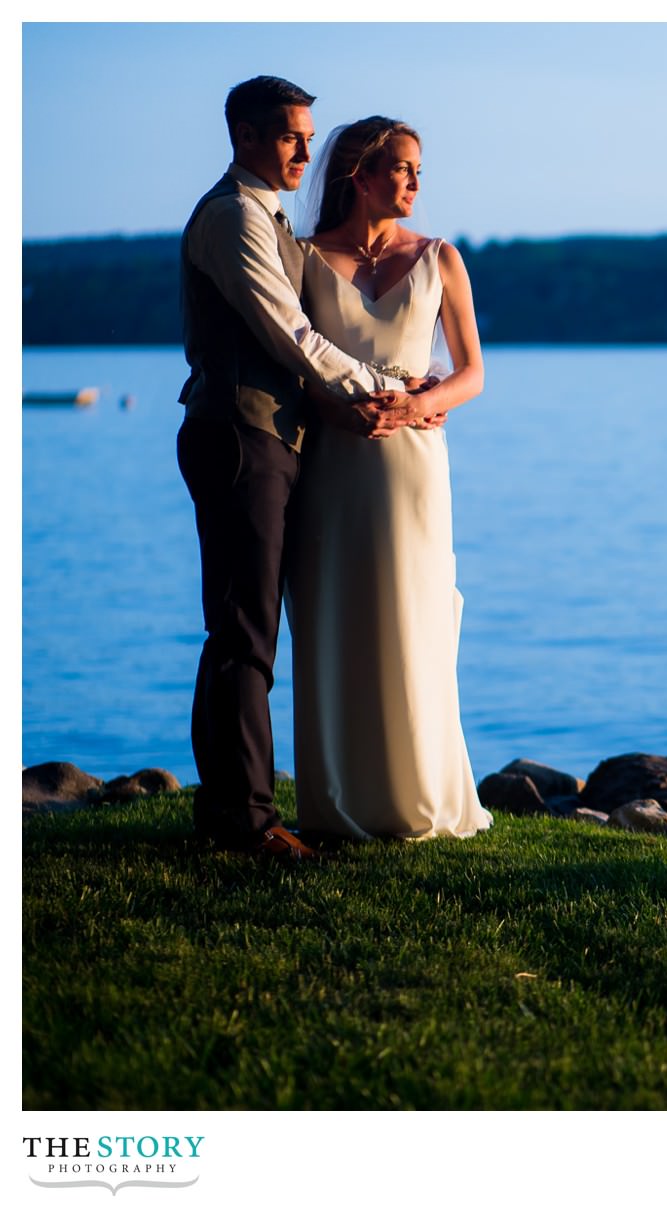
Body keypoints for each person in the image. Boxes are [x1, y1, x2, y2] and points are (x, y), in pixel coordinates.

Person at [177, 76, 429, 859]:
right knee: (245, 632)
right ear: (245, 135)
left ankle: (228, 809)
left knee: (241, 629)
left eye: (309, 137)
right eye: (290, 135)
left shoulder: (270, 216)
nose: (305, 151)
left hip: (266, 438)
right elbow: (289, 335)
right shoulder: (234, 219)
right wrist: (393, 388)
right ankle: (248, 825)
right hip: (239, 436)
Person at [286, 116, 492, 840]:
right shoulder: (304, 257)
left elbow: (472, 372)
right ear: (359, 174)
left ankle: (421, 795)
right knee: (338, 614)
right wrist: (338, 409)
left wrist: (420, 403)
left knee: (416, 613)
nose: (414, 182)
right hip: (333, 461)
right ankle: (340, 799)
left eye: (417, 171)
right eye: (401, 168)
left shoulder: (440, 258)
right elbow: (289, 364)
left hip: (413, 465)